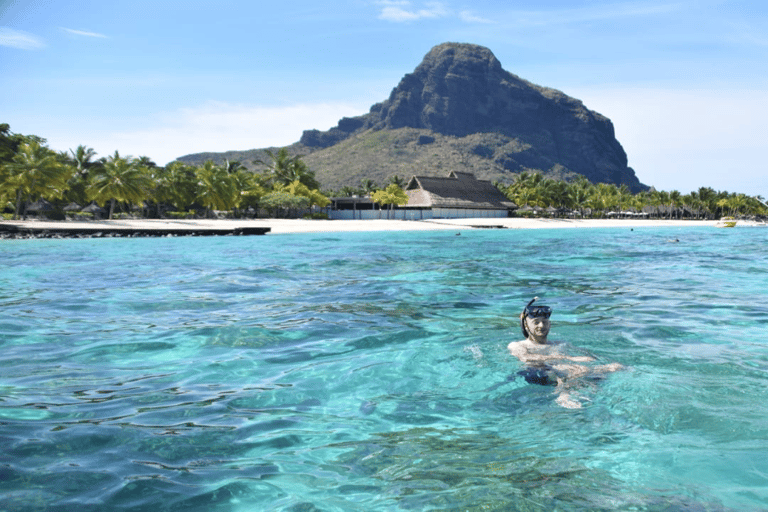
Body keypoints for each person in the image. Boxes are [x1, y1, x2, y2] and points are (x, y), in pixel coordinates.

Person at [507, 297, 622, 408]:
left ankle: (591, 393)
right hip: (536, 372)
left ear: (550, 324)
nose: (541, 325)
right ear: (526, 326)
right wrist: (570, 358)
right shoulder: (518, 345)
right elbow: (525, 358)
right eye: (536, 322)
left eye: (544, 322)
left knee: (612, 367)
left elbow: (582, 353)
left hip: (562, 369)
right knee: (574, 370)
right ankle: (563, 395)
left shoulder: (559, 343)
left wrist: (590, 358)